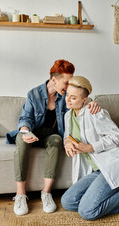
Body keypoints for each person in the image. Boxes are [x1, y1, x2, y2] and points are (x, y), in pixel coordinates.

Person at [6, 60, 100, 216]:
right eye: (66, 82)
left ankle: (46, 193)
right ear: (54, 79)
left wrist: (93, 102)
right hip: (33, 133)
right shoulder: (34, 94)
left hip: (51, 135)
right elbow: (26, 117)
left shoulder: (65, 96)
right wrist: (25, 130)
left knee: (56, 140)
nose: (69, 86)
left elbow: (81, 99)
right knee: (22, 142)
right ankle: (20, 195)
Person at [61, 76, 119, 220]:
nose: (67, 100)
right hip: (95, 170)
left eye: (73, 98)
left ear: (85, 100)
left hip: (110, 163)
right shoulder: (68, 115)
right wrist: (67, 141)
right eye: (67, 95)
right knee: (68, 201)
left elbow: (118, 136)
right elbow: (67, 135)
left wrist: (90, 147)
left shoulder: (95, 113)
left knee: (87, 212)